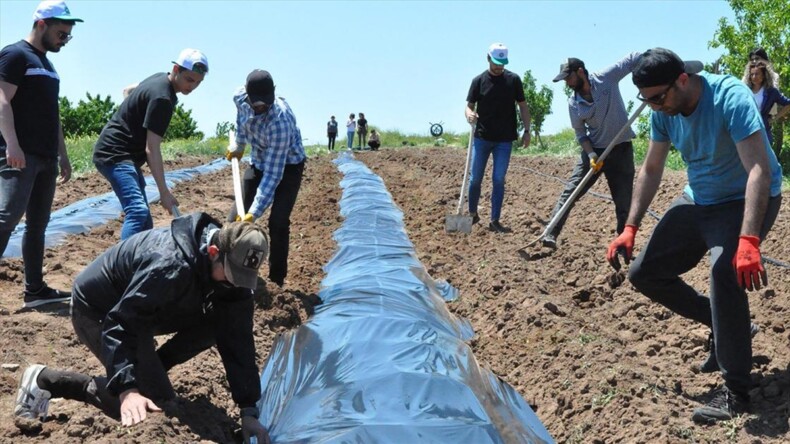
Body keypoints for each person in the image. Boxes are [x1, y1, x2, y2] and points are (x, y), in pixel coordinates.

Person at [606, 48, 782, 423]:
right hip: (699, 198)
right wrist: (630, 227)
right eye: (646, 100)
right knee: (644, 273)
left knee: (725, 272)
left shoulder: (729, 97)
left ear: (682, 80)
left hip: (744, 198)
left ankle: (736, 391)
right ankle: (726, 329)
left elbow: (758, 171)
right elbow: (652, 169)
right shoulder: (663, 112)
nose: (653, 106)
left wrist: (749, 241)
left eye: (658, 97)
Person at [14, 213, 271, 443]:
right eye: (230, 275)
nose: (234, 283)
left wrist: (249, 411)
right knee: (156, 405)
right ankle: (46, 380)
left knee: (220, 321)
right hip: (99, 309)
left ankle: (149, 368)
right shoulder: (170, 264)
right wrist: (128, 389)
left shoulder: (232, 276)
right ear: (214, 251)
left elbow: (238, 338)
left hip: (144, 309)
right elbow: (121, 323)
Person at [0, 0, 83, 309]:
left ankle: (35, 290)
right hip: (20, 154)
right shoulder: (15, 54)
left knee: (38, 224)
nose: (65, 40)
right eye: (62, 34)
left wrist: (63, 154)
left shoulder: (47, 64)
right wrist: (12, 144)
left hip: (45, 156)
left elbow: (53, 113)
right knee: (7, 217)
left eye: (68, 36)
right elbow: (2, 101)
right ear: (41, 25)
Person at [92, 48, 208, 240]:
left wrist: (133, 118)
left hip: (124, 155)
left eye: (198, 82)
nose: (193, 86)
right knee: (137, 212)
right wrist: (164, 192)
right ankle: (121, 266)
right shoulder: (163, 99)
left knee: (145, 222)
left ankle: (138, 260)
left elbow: (128, 90)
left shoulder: (159, 78)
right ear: (176, 69)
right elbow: (151, 149)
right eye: (189, 79)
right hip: (114, 154)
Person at [542, 53, 641, 248]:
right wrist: (591, 154)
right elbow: (580, 133)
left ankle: (623, 243)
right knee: (571, 192)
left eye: (569, 78)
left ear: (580, 72)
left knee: (624, 202)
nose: (568, 83)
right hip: (595, 152)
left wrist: (652, 62)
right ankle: (550, 233)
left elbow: (631, 59)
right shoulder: (573, 103)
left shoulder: (606, 78)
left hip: (621, 149)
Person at [225, 69, 307, 287]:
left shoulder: (280, 120)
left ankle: (276, 280)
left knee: (278, 222)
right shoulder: (240, 98)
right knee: (233, 219)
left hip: (288, 165)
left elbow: (273, 174)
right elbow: (242, 120)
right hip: (259, 159)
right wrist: (240, 145)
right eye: (256, 103)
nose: (261, 107)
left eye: (265, 103)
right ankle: (225, 273)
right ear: (248, 96)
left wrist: (253, 213)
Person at [465, 42, 531, 233]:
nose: (499, 67)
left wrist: (527, 130)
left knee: (499, 178)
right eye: (495, 63)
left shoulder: (514, 80)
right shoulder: (478, 81)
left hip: (504, 140)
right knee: (475, 178)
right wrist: (469, 114)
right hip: (482, 138)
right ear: (488, 59)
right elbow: (468, 105)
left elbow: (523, 106)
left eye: (502, 63)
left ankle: (495, 220)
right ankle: (471, 214)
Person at [742, 48, 790, 158]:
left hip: (763, 124)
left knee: (764, 160)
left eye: (757, 59)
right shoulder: (745, 86)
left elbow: (780, 101)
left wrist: (774, 118)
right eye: (752, 59)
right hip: (746, 128)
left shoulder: (771, 86)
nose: (754, 61)